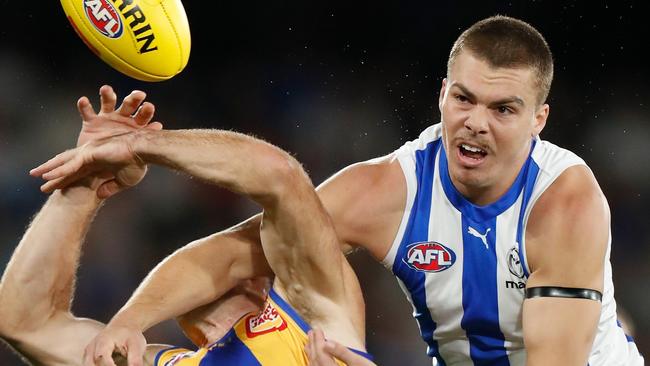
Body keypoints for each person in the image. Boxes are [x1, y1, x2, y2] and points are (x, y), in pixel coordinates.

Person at [27, 14, 647, 365]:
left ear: (539, 120)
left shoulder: (564, 200)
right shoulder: (387, 192)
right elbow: (228, 256)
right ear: (442, 93)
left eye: (504, 109)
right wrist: (129, 322)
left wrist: (145, 146)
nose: (475, 122)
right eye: (463, 98)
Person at [0, 85, 374, 365]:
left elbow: (280, 176)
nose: (214, 264)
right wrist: (88, 181)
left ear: (261, 287)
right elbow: (25, 322)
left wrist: (141, 143)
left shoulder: (317, 323)